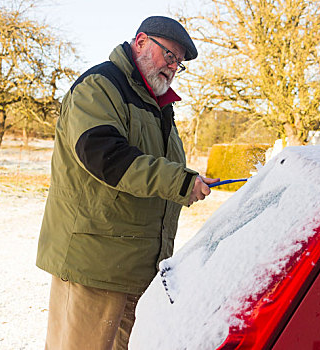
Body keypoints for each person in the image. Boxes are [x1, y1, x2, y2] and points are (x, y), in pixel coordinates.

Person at [36, 15, 219, 350]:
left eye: (178, 63)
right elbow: (106, 156)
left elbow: (159, 169)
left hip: (138, 273)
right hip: (94, 267)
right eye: (169, 55)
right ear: (141, 42)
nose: (173, 67)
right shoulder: (100, 87)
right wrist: (179, 181)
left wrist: (190, 180)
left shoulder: (158, 106)